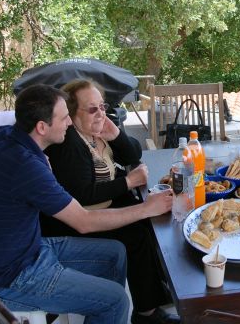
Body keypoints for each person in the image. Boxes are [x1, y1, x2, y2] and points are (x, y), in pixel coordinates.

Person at [0, 84, 173, 324]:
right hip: (11, 278)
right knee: (117, 300)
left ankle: (101, 311)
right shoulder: (27, 167)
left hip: (30, 248)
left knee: (116, 253)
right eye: (64, 118)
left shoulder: (4, 136)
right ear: (41, 127)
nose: (69, 123)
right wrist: (146, 209)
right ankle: (106, 308)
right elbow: (84, 222)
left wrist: (24, 156)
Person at [40, 79, 179, 324]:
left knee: (153, 223)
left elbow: (133, 154)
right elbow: (82, 194)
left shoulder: (96, 133)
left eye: (102, 106)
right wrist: (128, 182)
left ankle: (155, 297)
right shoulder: (69, 143)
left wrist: (115, 135)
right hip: (70, 225)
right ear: (72, 114)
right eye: (92, 109)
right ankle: (147, 312)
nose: (101, 113)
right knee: (136, 235)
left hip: (101, 206)